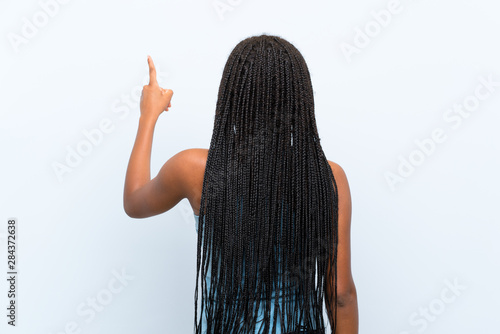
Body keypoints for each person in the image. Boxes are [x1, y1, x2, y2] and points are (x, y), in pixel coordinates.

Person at [123, 34, 358, 334]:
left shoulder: (196, 169)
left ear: (232, 97)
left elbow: (134, 201)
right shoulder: (328, 177)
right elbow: (340, 295)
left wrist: (148, 116)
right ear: (299, 100)